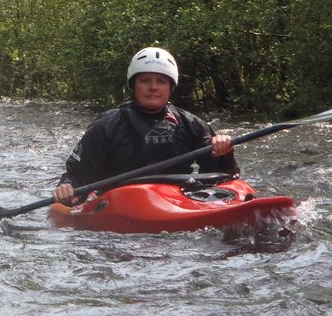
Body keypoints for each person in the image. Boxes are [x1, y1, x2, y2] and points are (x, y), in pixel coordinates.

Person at [53, 46, 239, 206]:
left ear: (170, 87)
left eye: (161, 81)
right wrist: (67, 188)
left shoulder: (190, 124)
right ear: (134, 86)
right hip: (122, 202)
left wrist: (224, 152)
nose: (153, 87)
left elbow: (221, 177)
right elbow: (76, 175)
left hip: (177, 199)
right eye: (145, 80)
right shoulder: (106, 126)